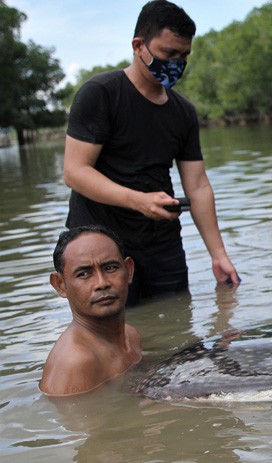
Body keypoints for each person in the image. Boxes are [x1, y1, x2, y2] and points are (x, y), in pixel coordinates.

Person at [62, 0, 239, 307]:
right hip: (101, 248)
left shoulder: (183, 112)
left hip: (162, 244)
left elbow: (197, 186)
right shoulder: (101, 93)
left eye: (184, 56)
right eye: (169, 53)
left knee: (177, 331)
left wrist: (219, 254)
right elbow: (75, 172)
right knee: (112, 340)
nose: (177, 63)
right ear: (138, 45)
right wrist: (139, 201)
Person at [40, 226, 142, 396]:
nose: (102, 283)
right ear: (60, 284)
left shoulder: (131, 336)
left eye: (110, 268)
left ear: (129, 270)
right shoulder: (76, 362)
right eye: (84, 274)